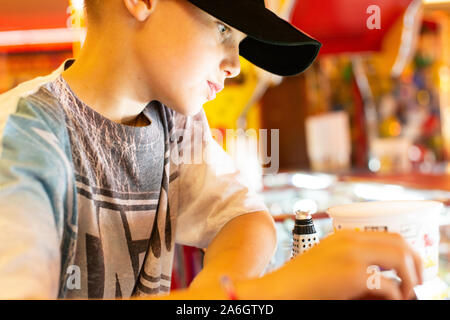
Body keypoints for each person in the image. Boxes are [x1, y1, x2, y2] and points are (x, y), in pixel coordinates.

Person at [0, 0, 422, 300]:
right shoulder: (21, 134)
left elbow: (245, 220)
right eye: (223, 28)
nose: (236, 64)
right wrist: (273, 291)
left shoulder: (175, 123)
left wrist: (218, 296)